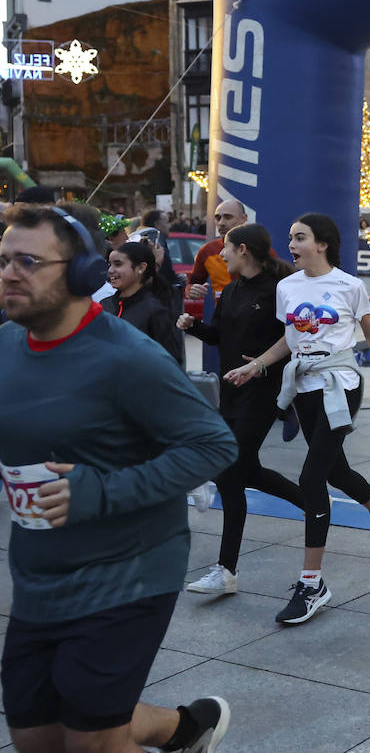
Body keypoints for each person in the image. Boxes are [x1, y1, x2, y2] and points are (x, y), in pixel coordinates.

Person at [0, 203, 236, 752]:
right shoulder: (6, 346)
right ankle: (187, 728)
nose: (10, 273)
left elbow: (213, 443)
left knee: (89, 744)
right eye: (4, 260)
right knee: (35, 736)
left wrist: (100, 490)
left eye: (29, 261)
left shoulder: (127, 357)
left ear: (82, 273)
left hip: (126, 573)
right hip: (39, 572)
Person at [223, 213, 370, 625]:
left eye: (300, 237)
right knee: (336, 470)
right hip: (304, 387)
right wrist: (257, 367)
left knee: (311, 478)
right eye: (290, 237)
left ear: (322, 243)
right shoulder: (288, 287)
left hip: (341, 384)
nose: (292, 243)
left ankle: (312, 583)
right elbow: (290, 338)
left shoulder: (348, 285)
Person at [179, 223, 307, 594]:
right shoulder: (232, 290)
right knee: (247, 471)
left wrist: (264, 365)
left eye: (227, 248)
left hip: (263, 391)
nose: (221, 254)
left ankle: (226, 570)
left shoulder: (277, 291)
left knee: (231, 470)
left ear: (244, 251)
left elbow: (294, 336)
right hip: (232, 390)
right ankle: (313, 505)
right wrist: (194, 326)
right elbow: (219, 335)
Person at [102, 239, 183, 363]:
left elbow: (171, 361)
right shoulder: (104, 305)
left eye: (118, 264)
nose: (110, 270)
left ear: (141, 268)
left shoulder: (155, 311)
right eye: (110, 264)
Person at [186, 200, 248, 302]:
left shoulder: (258, 248)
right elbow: (192, 284)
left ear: (244, 218)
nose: (221, 223)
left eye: (228, 217)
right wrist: (192, 290)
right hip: (223, 316)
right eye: (217, 218)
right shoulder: (207, 251)